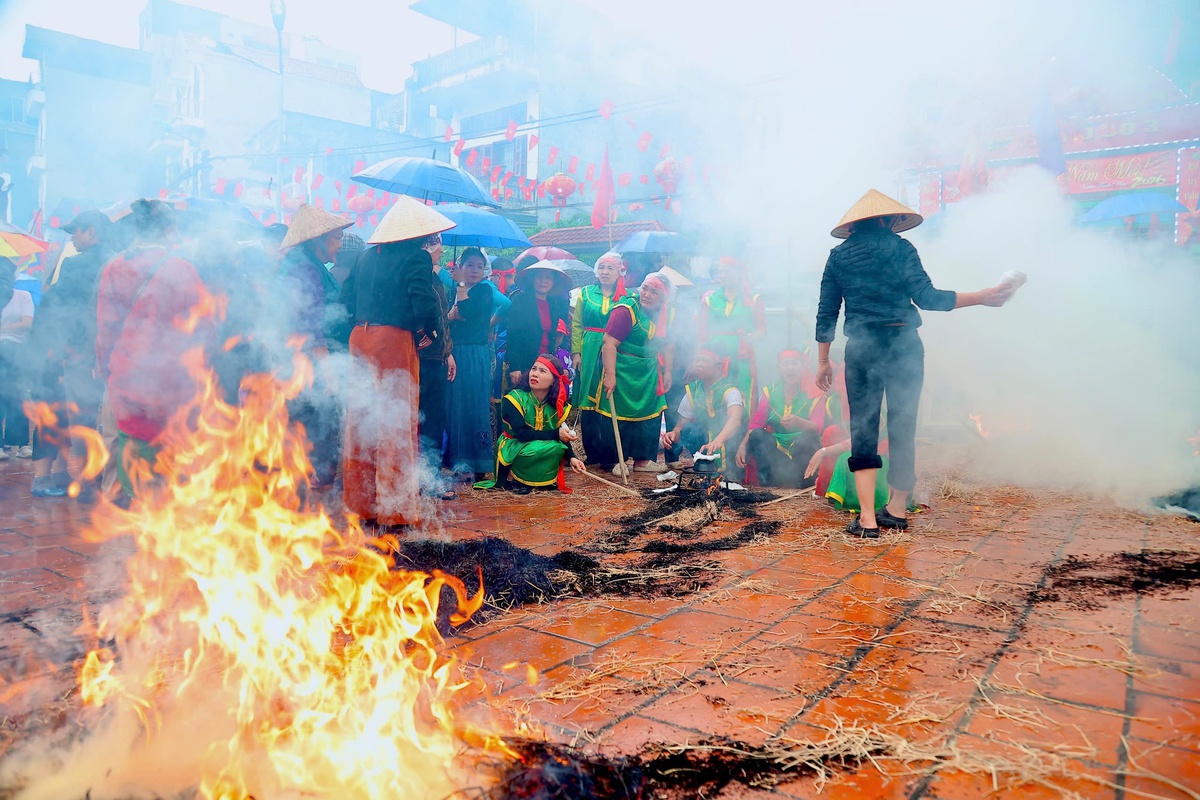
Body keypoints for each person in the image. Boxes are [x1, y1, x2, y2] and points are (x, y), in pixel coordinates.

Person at [815, 189, 1013, 538]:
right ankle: (895, 510)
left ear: (855, 226)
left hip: (862, 349)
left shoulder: (838, 257)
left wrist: (822, 361)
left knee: (863, 429)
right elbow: (928, 298)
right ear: (888, 220)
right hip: (903, 344)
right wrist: (981, 297)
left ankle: (866, 519)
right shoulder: (901, 248)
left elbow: (827, 313)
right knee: (903, 427)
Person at [339, 197, 453, 529]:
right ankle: (396, 511)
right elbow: (423, 298)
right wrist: (428, 331)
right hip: (392, 340)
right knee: (396, 423)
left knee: (361, 421)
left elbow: (345, 299)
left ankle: (361, 506)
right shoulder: (415, 257)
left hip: (359, 338)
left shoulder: (364, 256)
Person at [95, 199, 216, 501]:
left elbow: (105, 329)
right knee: (168, 460)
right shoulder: (182, 269)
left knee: (130, 452)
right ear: (169, 229)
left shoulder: (114, 267)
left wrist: (107, 368)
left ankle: (128, 517)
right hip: (171, 384)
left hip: (125, 379)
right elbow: (205, 329)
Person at [25, 211, 114, 495]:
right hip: (99, 352)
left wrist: (69, 350)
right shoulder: (118, 260)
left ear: (91, 232)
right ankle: (75, 477)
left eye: (75, 231)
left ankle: (69, 479)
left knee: (63, 412)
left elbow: (67, 310)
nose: (72, 237)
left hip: (70, 351)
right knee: (85, 414)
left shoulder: (80, 265)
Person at [591, 271, 674, 476]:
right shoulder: (626, 310)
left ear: (663, 297)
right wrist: (610, 375)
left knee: (649, 414)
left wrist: (669, 371)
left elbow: (669, 344)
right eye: (644, 288)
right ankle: (615, 460)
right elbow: (609, 343)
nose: (646, 294)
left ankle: (643, 460)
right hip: (622, 367)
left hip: (649, 371)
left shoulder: (668, 314)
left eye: (653, 292)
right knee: (618, 413)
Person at [474, 353, 586, 493]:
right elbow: (522, 434)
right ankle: (513, 479)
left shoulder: (555, 405)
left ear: (553, 380)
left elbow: (561, 436)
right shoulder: (515, 399)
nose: (535, 374)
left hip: (539, 442)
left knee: (558, 448)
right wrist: (556, 434)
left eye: (542, 371)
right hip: (514, 444)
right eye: (534, 369)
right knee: (533, 450)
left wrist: (573, 458)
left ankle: (541, 481)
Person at [736, 349, 838, 489]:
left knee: (810, 437)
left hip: (801, 449)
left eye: (794, 363)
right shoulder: (770, 392)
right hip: (776, 448)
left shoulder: (815, 392)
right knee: (757, 435)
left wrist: (799, 422)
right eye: (785, 364)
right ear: (779, 368)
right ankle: (768, 485)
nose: (790, 368)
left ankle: (804, 484)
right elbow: (756, 424)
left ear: (802, 367)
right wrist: (742, 446)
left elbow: (818, 426)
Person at [570, 252, 627, 467]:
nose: (605, 272)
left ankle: (611, 455)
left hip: (615, 351)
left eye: (610, 268)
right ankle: (592, 453)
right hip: (590, 347)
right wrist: (577, 352)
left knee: (609, 398)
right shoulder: (585, 293)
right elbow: (576, 325)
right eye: (601, 267)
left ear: (620, 272)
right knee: (588, 403)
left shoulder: (627, 297)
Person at [445, 247, 494, 481]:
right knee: (456, 405)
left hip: (474, 354)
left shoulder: (485, 290)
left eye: (479, 266)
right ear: (460, 265)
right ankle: (457, 459)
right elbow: (445, 317)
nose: (475, 270)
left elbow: (463, 311)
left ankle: (479, 460)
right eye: (470, 265)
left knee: (474, 403)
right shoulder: (450, 291)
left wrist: (462, 286)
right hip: (453, 352)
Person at [662, 346, 745, 479]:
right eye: (697, 360)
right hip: (704, 445)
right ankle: (704, 470)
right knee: (690, 429)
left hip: (729, 446)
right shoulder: (692, 391)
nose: (698, 365)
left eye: (704, 361)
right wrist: (672, 435)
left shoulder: (730, 391)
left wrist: (717, 441)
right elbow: (680, 427)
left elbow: (735, 421)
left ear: (718, 368)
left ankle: (730, 473)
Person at [699, 256, 766, 415]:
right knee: (716, 391)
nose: (722, 276)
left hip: (742, 354)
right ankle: (716, 432)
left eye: (726, 272)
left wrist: (753, 336)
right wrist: (699, 358)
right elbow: (701, 333)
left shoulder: (754, 298)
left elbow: (762, 330)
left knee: (744, 391)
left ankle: (745, 434)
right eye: (720, 272)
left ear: (738, 273)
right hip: (716, 354)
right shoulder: (709, 299)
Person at [417, 236, 454, 479]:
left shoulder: (434, 277)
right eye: (438, 249)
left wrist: (448, 352)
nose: (440, 254)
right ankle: (417, 476)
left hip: (437, 358)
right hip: (419, 359)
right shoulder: (416, 276)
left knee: (434, 419)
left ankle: (430, 476)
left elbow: (442, 319)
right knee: (417, 419)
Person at [505, 260, 570, 390]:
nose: (543, 281)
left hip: (546, 363)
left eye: (548, 277)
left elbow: (557, 334)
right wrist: (515, 366)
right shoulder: (520, 302)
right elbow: (513, 336)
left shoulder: (554, 305)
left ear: (553, 282)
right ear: (532, 279)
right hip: (524, 363)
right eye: (539, 276)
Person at [0, 262, 30, 461]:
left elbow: (27, 324)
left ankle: (21, 443)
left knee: (18, 395)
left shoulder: (23, 296)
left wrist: (4, 328)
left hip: (16, 351)